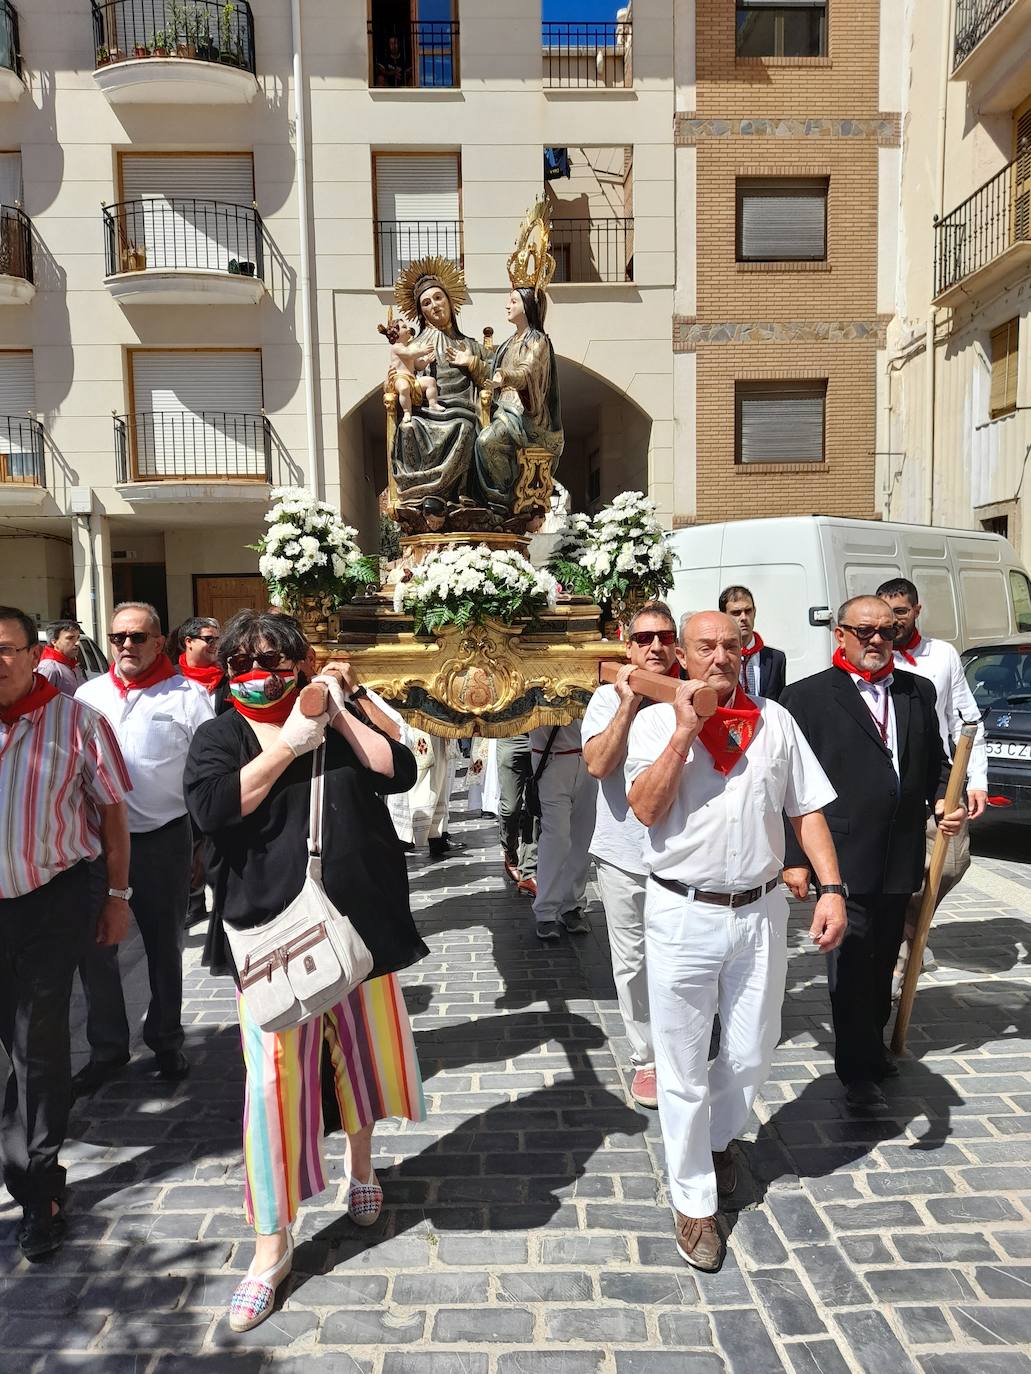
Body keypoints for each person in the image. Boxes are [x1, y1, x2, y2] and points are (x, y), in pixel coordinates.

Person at [183, 610, 427, 1333]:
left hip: (358, 929)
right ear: (228, 672)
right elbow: (214, 808)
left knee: (360, 1057)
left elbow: (398, 769)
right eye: (246, 663)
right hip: (269, 936)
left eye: (277, 660)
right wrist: (287, 744)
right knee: (272, 1084)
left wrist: (337, 707)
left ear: (300, 660)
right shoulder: (219, 734)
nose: (263, 674)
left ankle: (360, 1166)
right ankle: (271, 1245)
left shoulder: (338, 713)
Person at [626, 610, 847, 1272]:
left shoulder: (774, 722)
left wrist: (832, 887)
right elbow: (644, 807)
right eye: (706, 647)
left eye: (731, 645)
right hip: (681, 912)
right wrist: (683, 733)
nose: (720, 656)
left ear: (746, 649)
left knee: (751, 1050)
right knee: (683, 1062)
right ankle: (693, 1202)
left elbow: (804, 808)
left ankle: (720, 1137)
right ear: (684, 656)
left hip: (759, 911)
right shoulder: (652, 721)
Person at [780, 596, 966, 1115]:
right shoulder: (808, 697)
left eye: (888, 631)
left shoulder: (916, 691)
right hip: (841, 857)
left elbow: (934, 763)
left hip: (900, 855)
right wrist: (796, 858)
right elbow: (788, 788)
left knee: (884, 959)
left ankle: (872, 1046)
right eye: (865, 631)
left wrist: (942, 804)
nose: (878, 641)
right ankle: (856, 1069)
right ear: (840, 634)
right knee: (851, 968)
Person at [0, 605, 132, 1259]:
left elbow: (112, 814)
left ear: (34, 654)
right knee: (19, 1054)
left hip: (48, 905)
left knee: (38, 1046)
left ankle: (39, 1189)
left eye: (5, 648)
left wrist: (116, 895)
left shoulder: (77, 721)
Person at [73, 602, 214, 1091]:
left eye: (138, 637)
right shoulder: (87, 697)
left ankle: (167, 1039)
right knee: (96, 951)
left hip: (163, 840)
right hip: (95, 846)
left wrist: (200, 844)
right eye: (118, 638)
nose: (127, 646)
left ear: (160, 641)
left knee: (163, 945)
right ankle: (108, 1049)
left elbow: (204, 777)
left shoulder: (190, 697)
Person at [583, 601, 682, 1109]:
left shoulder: (693, 697)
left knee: (683, 955)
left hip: (685, 854)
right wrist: (627, 704)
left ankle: (682, 1038)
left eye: (664, 637)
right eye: (644, 639)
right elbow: (598, 765)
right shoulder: (605, 699)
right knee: (634, 961)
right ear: (628, 646)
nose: (655, 647)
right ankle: (646, 1056)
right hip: (625, 853)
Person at [875, 577, 989, 989]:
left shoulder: (942, 655)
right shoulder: (877, 652)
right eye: (887, 615)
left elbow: (966, 720)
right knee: (898, 866)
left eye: (901, 613)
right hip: (893, 784)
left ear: (916, 611)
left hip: (939, 780)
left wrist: (976, 779)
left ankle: (909, 922)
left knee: (954, 863)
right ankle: (901, 947)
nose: (893, 623)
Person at [529, 716, 597, 942]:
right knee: (556, 837)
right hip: (552, 758)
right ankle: (546, 911)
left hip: (590, 758)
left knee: (583, 838)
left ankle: (572, 904)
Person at [718, 585, 786, 701]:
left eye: (748, 611)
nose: (744, 617)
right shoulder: (719, 658)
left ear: (754, 612)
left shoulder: (775, 658)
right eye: (736, 613)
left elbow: (779, 700)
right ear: (723, 616)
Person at [497, 733, 539, 895]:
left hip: (540, 738)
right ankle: (509, 849)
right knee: (510, 808)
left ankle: (529, 869)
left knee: (535, 805)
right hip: (511, 737)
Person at [37, 619, 87, 696]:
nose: (77, 643)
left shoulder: (73, 666)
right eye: (70, 638)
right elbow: (40, 702)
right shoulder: (49, 668)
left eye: (77, 638)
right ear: (54, 642)